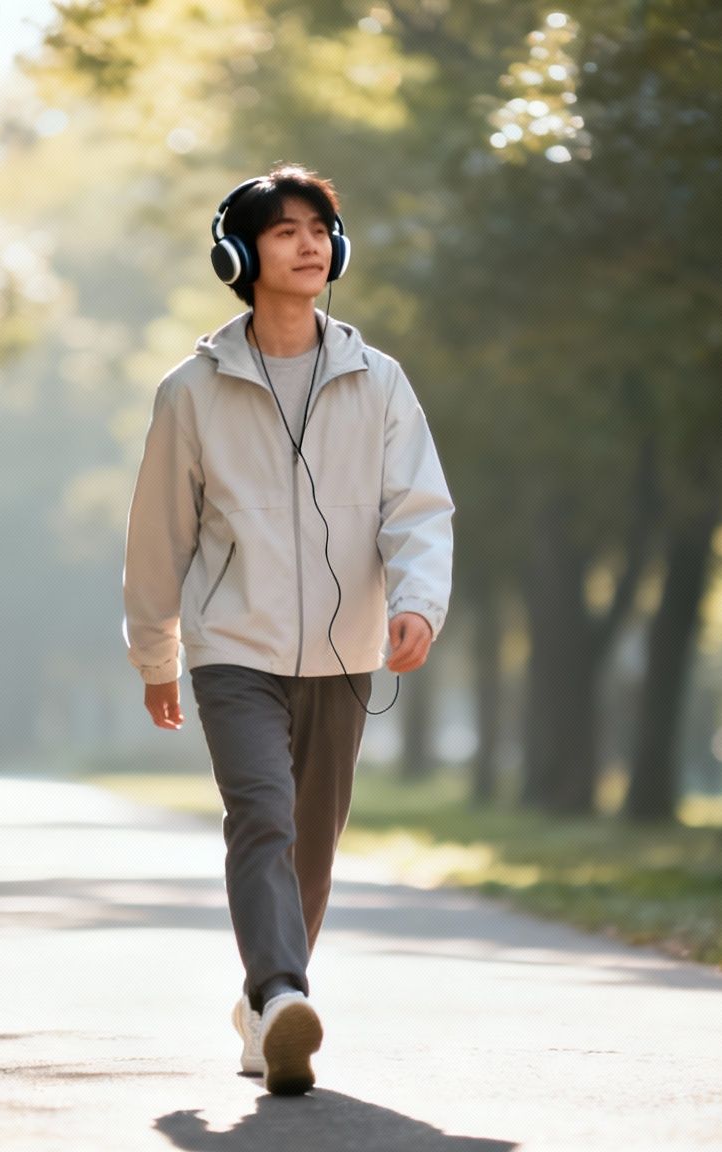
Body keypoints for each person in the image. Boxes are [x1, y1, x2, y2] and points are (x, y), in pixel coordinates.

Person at [120, 163, 455, 1096]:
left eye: (320, 229)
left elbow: (419, 508)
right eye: (284, 231)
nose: (309, 245)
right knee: (260, 817)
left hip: (345, 652)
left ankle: (263, 1015)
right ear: (241, 253)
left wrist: (419, 600)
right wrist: (158, 653)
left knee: (312, 844)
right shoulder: (192, 390)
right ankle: (281, 994)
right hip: (234, 647)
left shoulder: (379, 381)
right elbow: (159, 535)